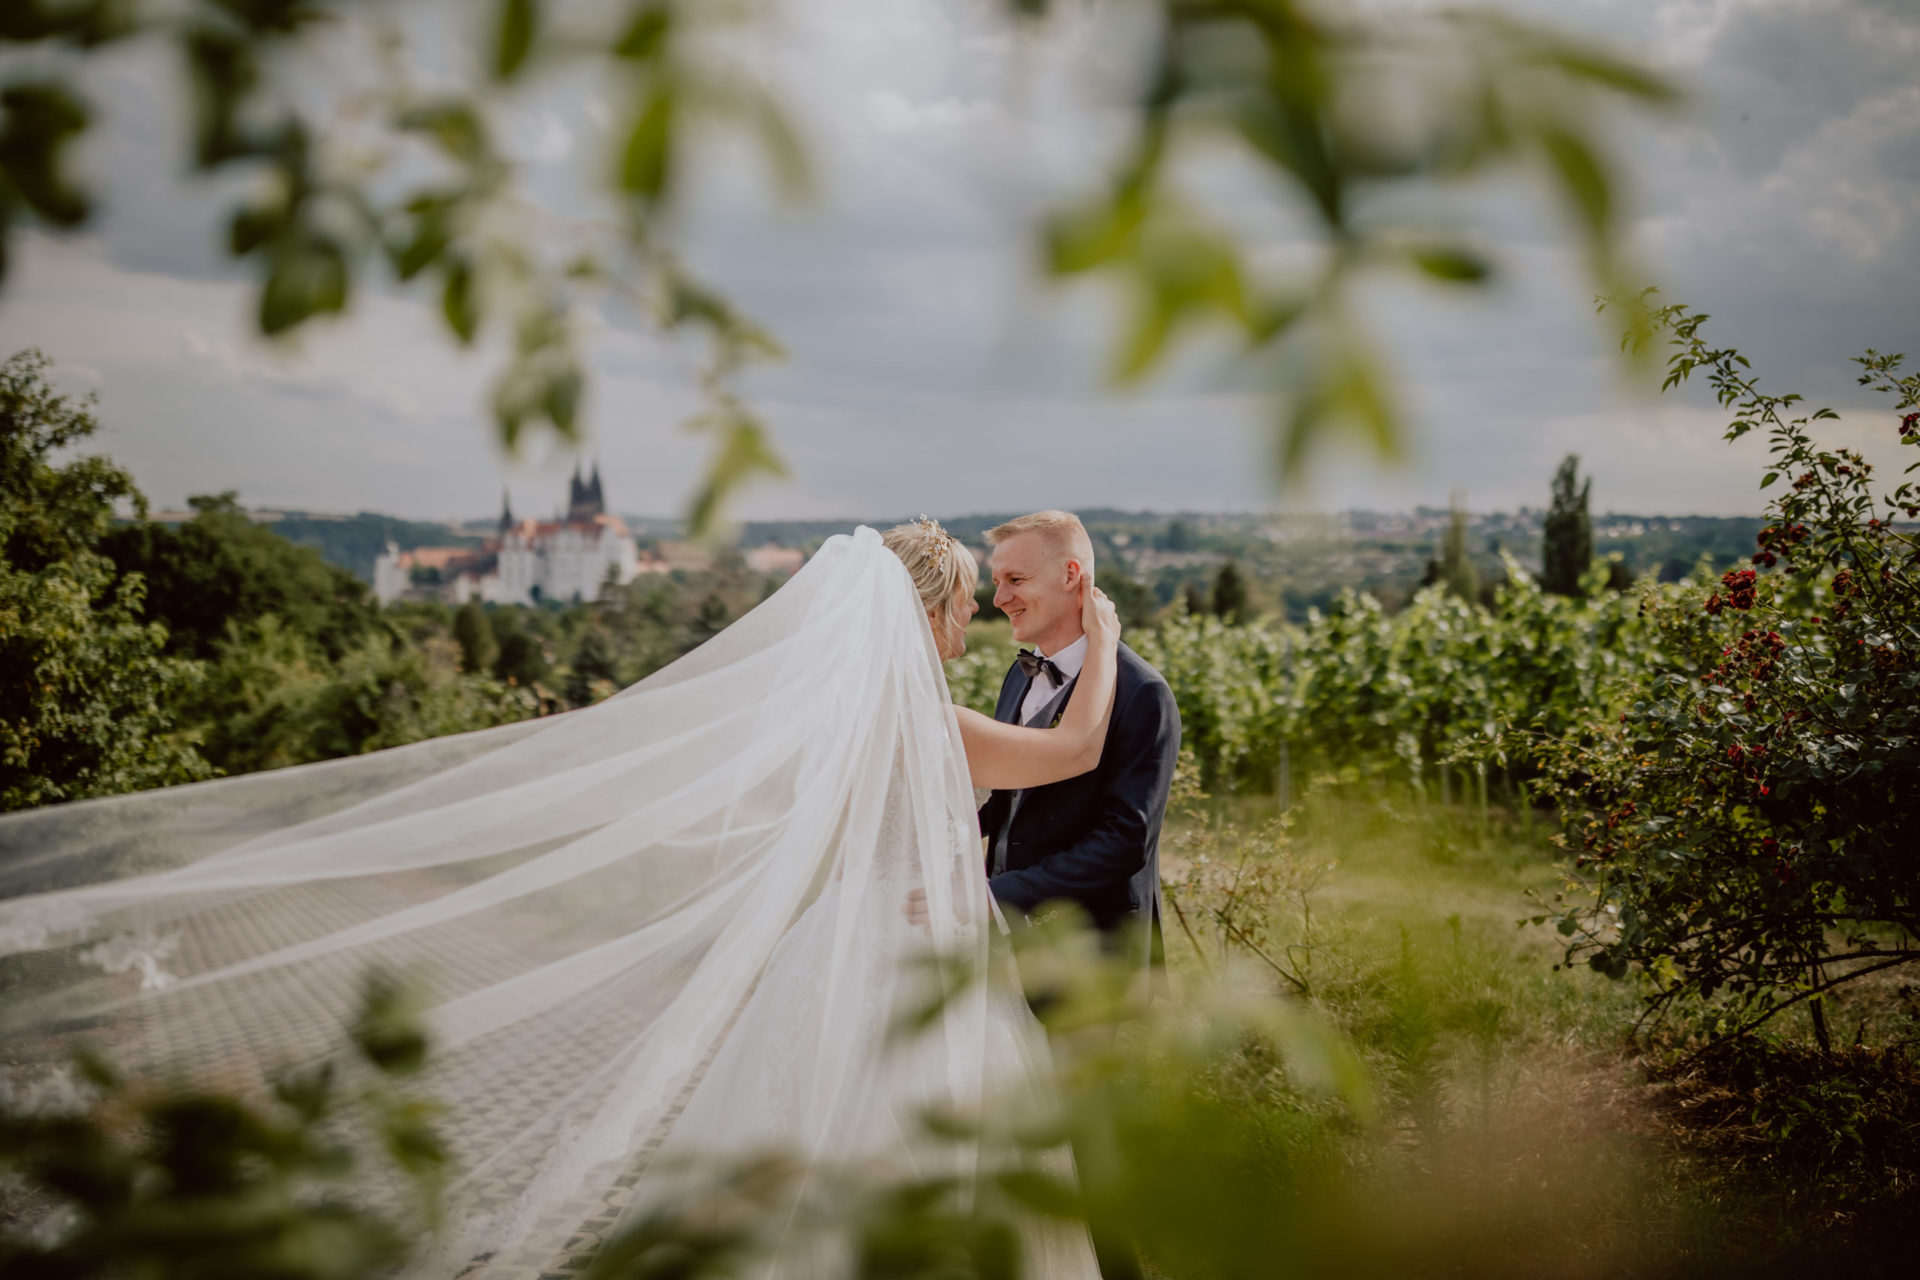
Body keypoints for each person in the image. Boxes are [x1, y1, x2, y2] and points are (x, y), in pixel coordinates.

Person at [0, 520, 1112, 1278]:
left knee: (820, 1131)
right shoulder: (928, 715)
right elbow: (1071, 751)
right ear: (925, 608)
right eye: (966, 600)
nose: (973, 619)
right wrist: (1102, 636)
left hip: (842, 945)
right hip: (916, 956)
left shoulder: (848, 717)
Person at [976, 512, 1180, 981]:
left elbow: (1126, 840)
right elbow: (1007, 794)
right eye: (996, 581)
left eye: (1015, 579)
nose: (999, 598)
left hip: (1091, 952)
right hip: (1006, 945)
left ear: (1070, 575)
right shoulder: (1019, 674)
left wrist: (1000, 895)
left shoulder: (1142, 691)